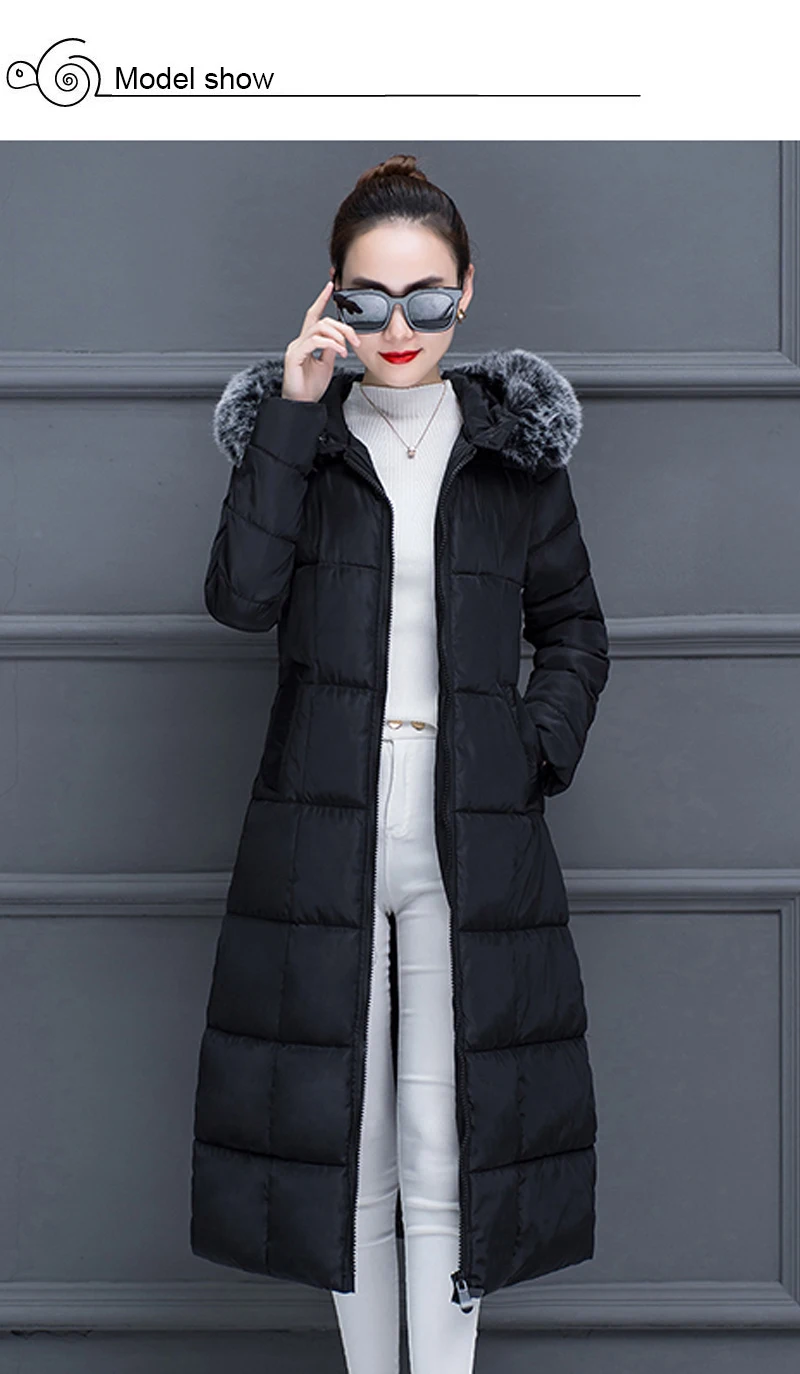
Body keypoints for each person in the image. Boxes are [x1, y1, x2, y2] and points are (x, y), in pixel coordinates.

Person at [190, 154, 610, 1374]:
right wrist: (290, 410)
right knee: (346, 1148)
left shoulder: (512, 456)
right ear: (330, 298)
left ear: (466, 288)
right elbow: (239, 599)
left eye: (425, 297)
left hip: (469, 829)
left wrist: (530, 749)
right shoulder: (303, 442)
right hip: (322, 832)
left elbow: (574, 630)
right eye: (365, 300)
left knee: (446, 1149)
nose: (397, 328)